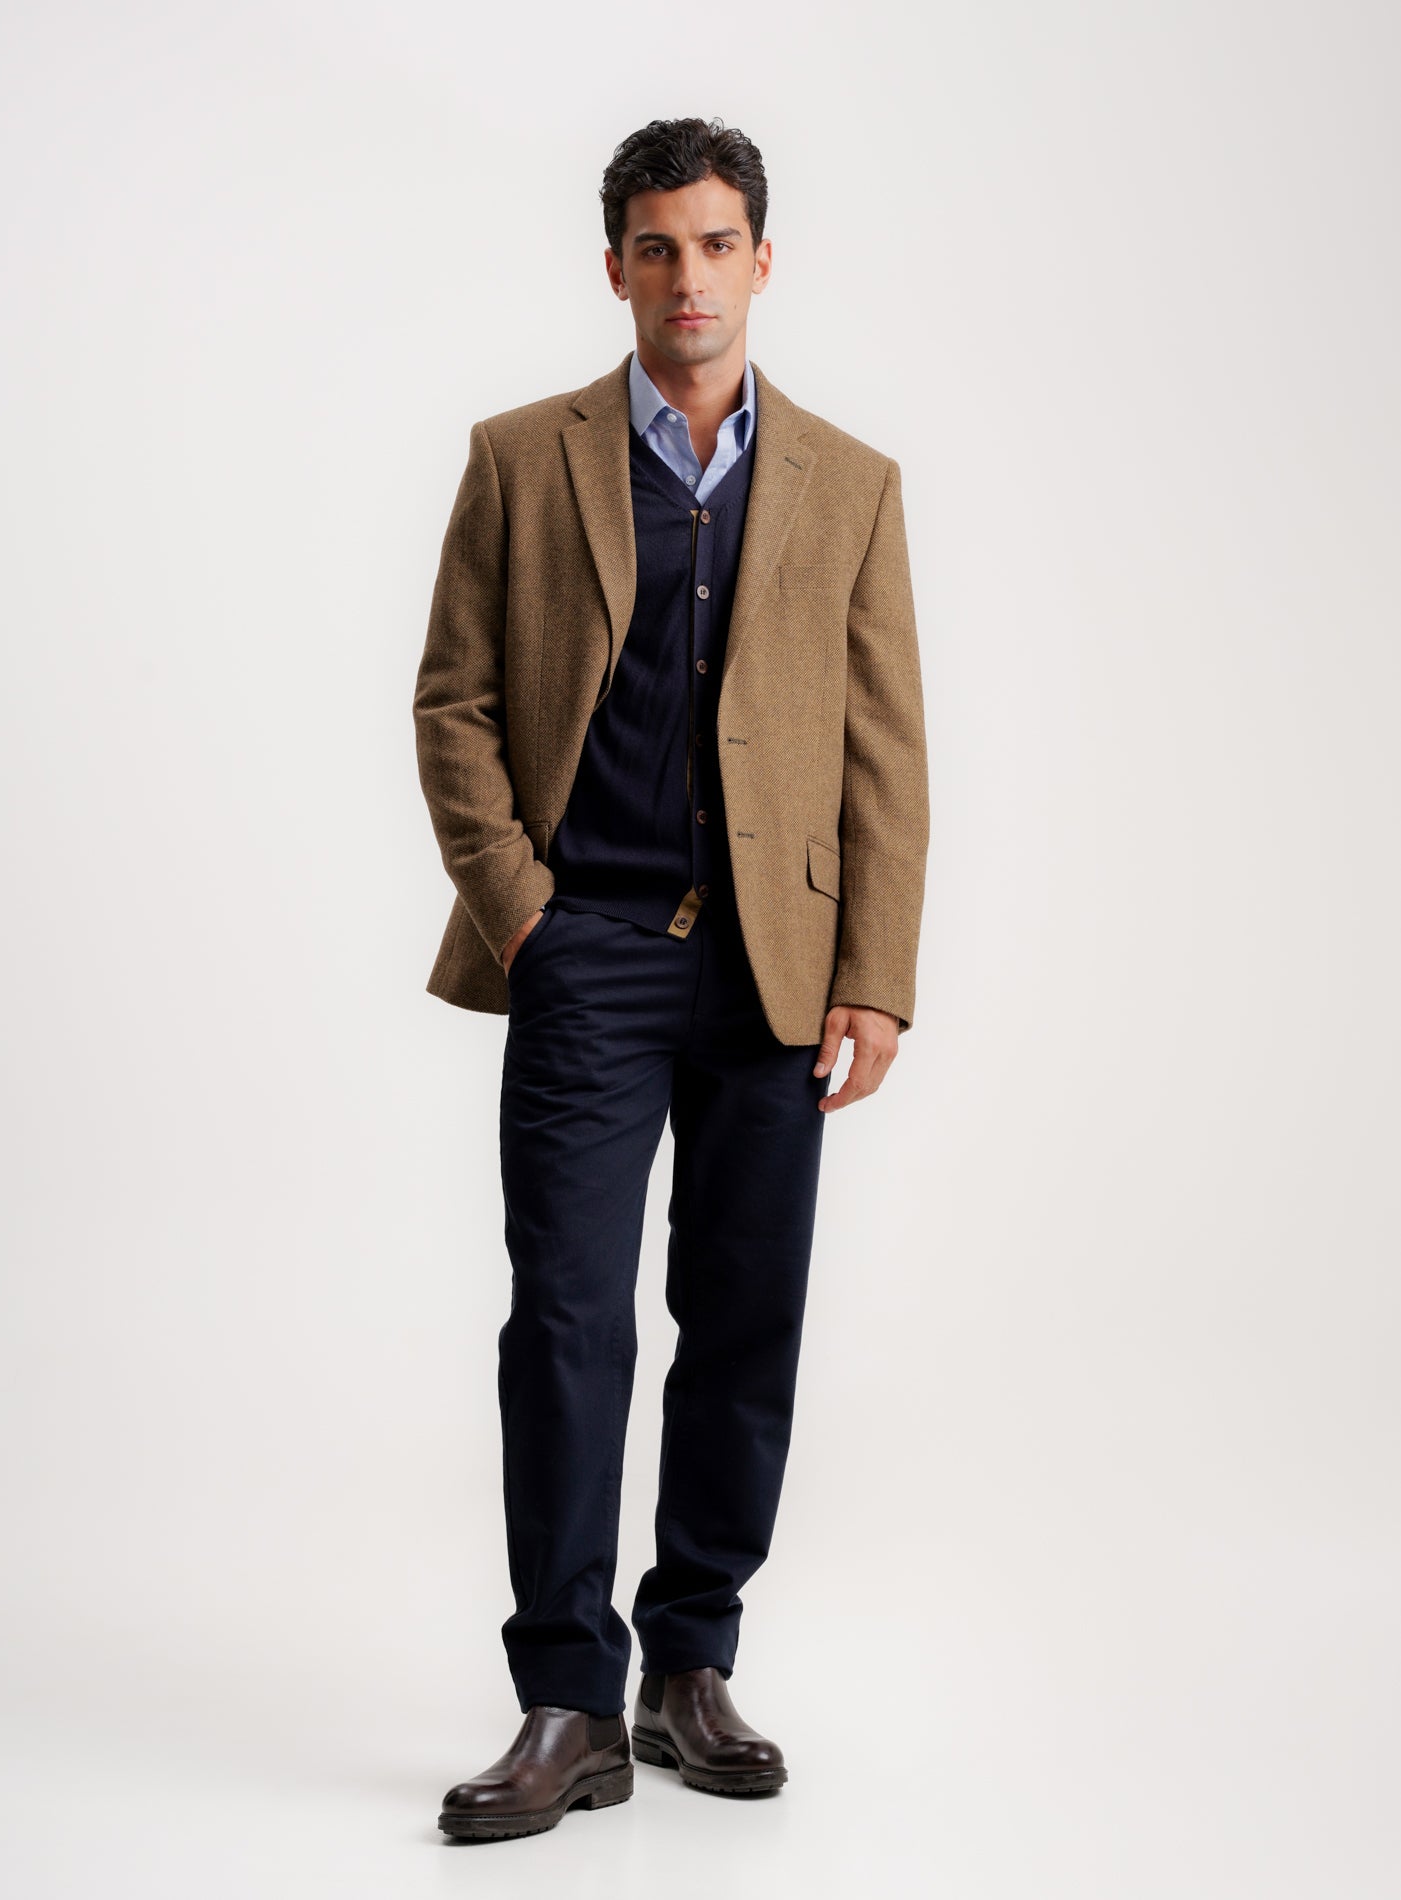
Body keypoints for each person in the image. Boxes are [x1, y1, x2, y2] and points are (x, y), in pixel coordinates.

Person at [413, 114, 929, 1843]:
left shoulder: (849, 482)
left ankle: (689, 1662)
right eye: (656, 247)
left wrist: (873, 974)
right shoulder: (521, 457)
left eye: (715, 244)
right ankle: (567, 1697)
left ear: (760, 261)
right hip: (589, 955)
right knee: (565, 1319)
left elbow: (884, 749)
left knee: (744, 1315)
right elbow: (454, 702)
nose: (687, 276)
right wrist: (524, 913)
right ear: (615, 267)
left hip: (777, 970)